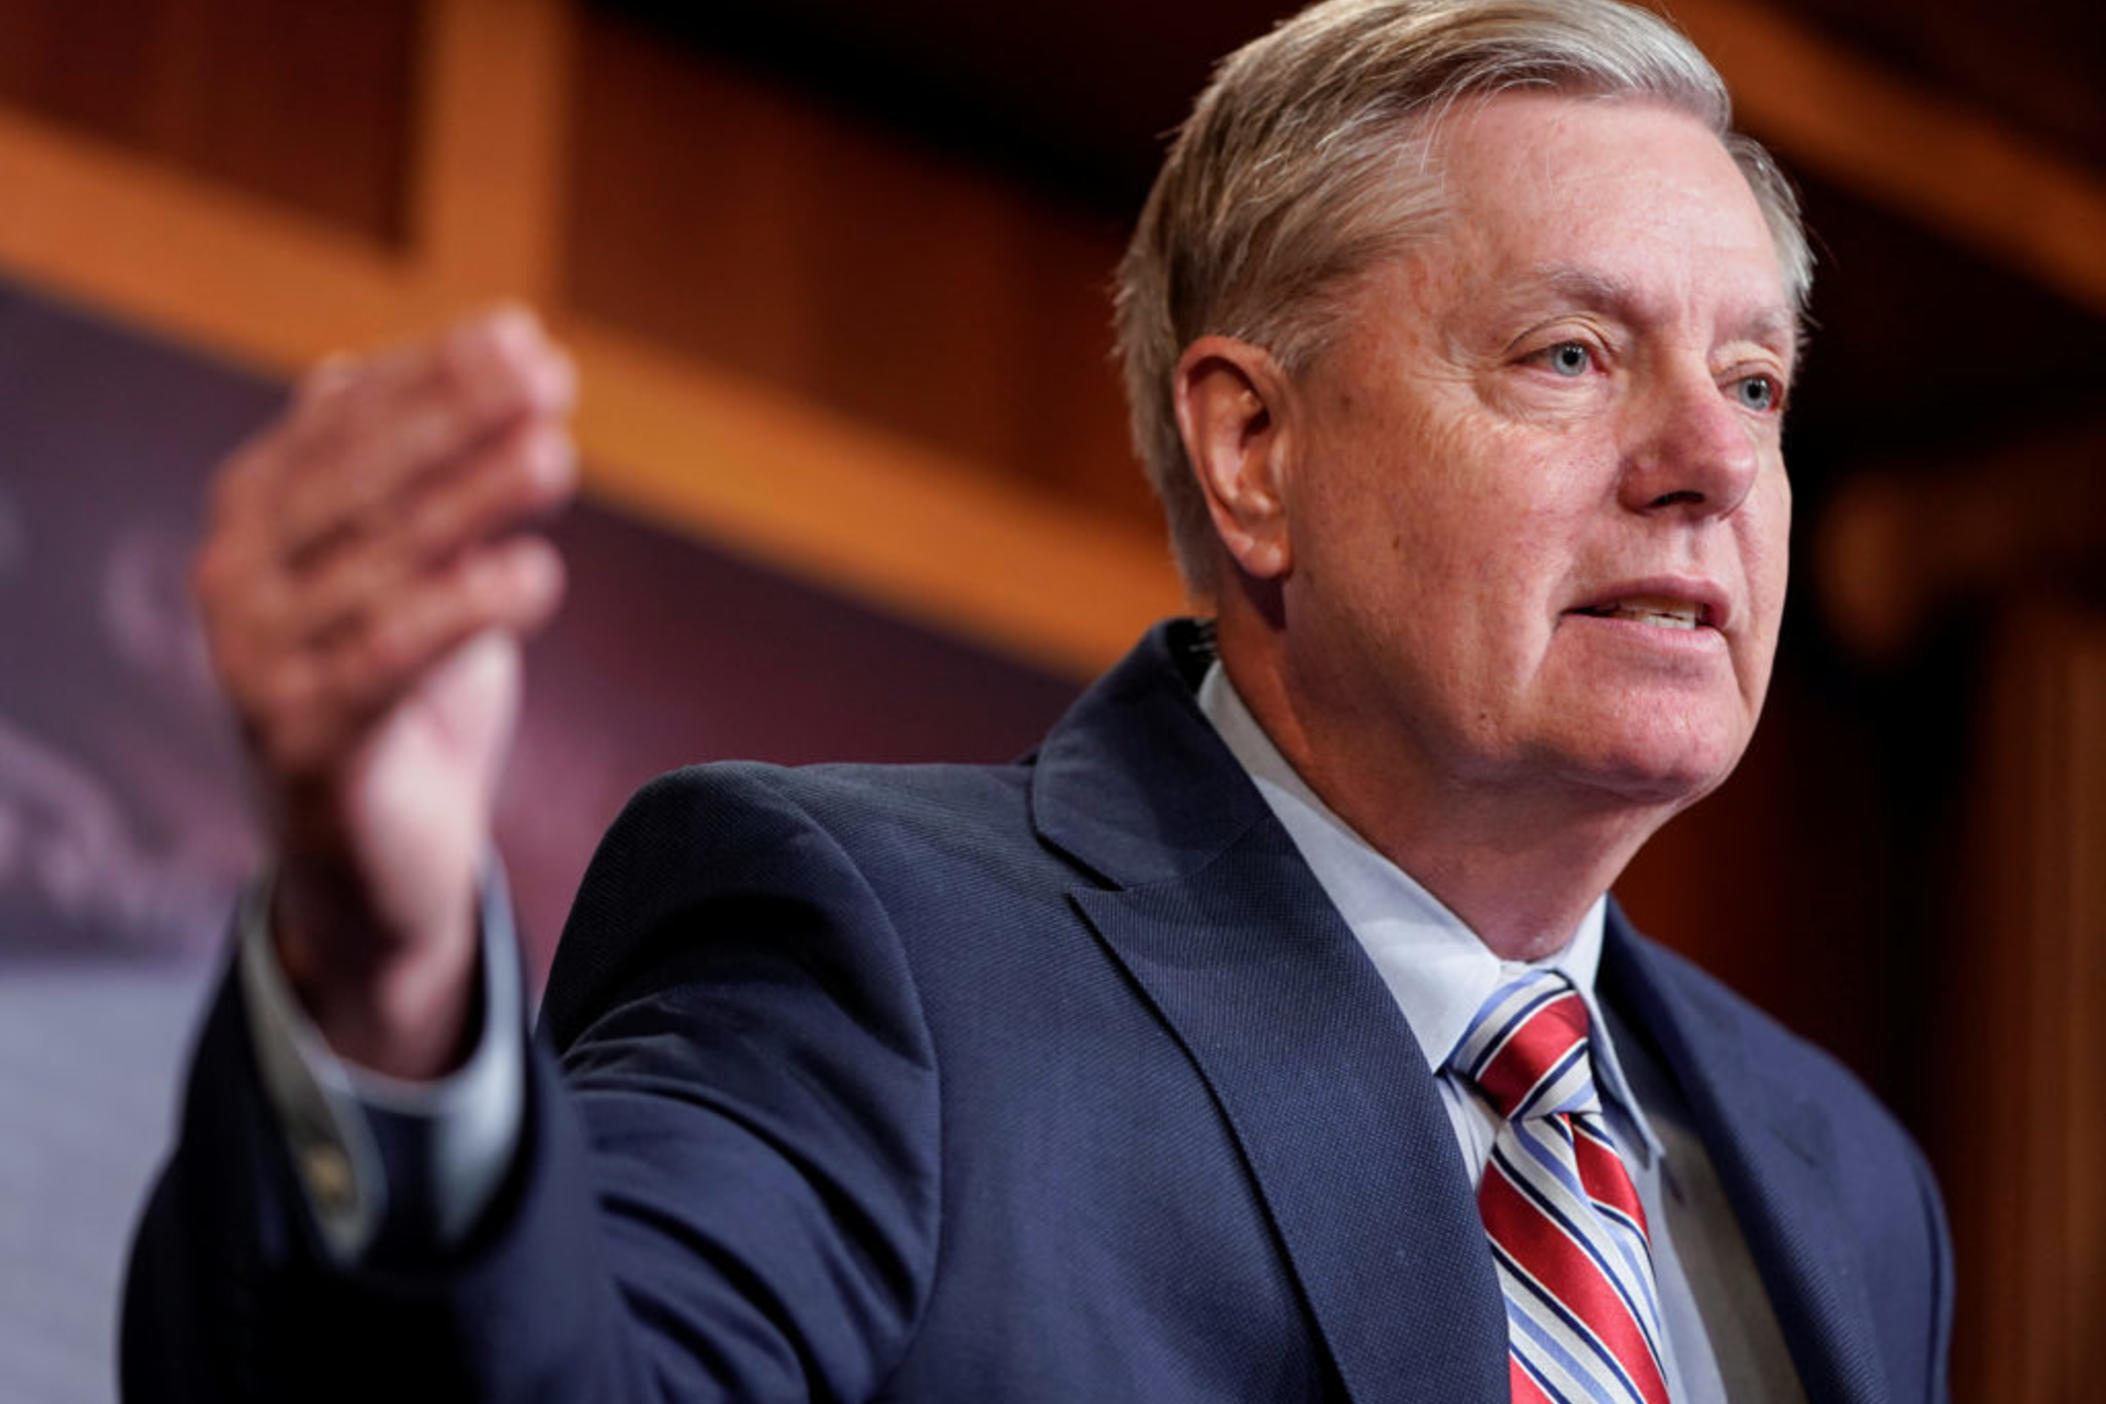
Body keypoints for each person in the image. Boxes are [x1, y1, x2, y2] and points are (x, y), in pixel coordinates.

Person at [122, 0, 1952, 1399]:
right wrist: (382, 971)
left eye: (1757, 385)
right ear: (1251, 450)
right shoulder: (878, 960)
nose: (1708, 461)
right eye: (1569, 354)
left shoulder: (1838, 1179)